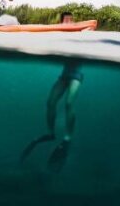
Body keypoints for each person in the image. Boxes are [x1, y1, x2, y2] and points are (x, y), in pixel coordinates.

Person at [20, 12, 83, 172]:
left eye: (70, 20)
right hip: (64, 75)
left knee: (69, 103)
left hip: (76, 75)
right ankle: (50, 132)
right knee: (50, 101)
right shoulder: (60, 35)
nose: (68, 22)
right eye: (65, 20)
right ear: (61, 22)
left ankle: (68, 137)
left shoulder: (80, 33)